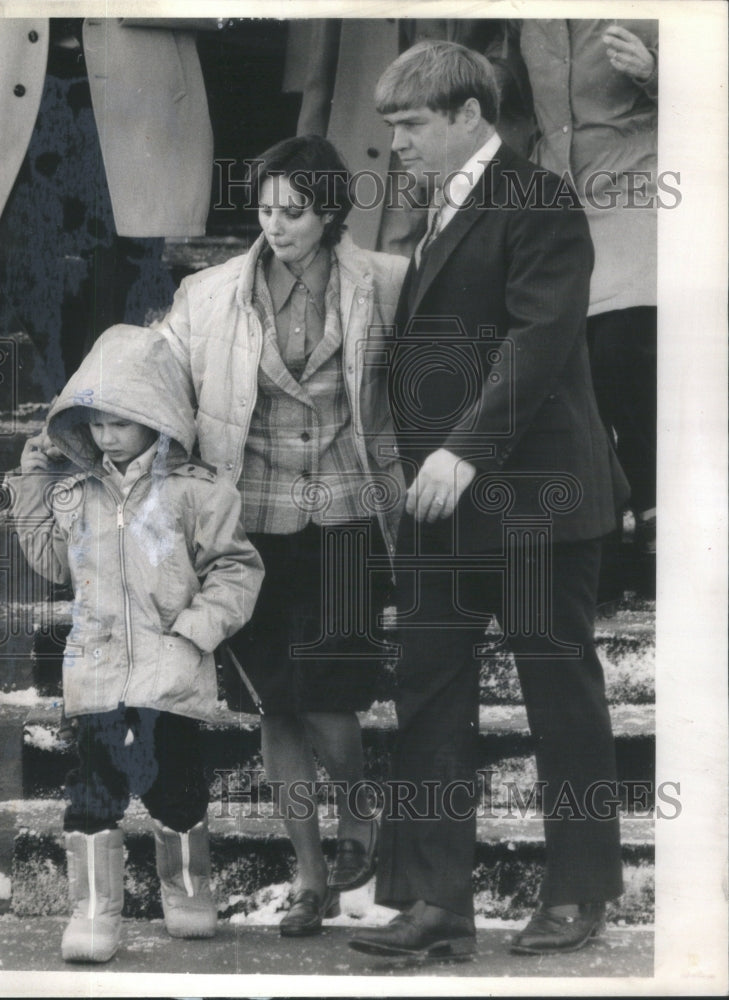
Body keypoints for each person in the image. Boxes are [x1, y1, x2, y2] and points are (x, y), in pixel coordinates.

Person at [348, 41, 630, 962]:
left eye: (411, 125)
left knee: (561, 698)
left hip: (537, 500)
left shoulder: (537, 197)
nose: (397, 144)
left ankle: (578, 894)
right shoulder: (435, 207)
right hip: (445, 508)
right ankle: (436, 906)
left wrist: (463, 451)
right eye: (391, 127)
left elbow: (538, 340)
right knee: (427, 694)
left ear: (470, 115)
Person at [154, 135, 408, 936]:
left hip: (345, 514)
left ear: (330, 211)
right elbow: (161, 385)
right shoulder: (209, 293)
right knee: (276, 710)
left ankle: (361, 815)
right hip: (251, 523)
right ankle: (308, 879)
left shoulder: (387, 283)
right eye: (265, 209)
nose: (276, 225)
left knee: (330, 697)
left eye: (294, 211)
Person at [6, 324, 263, 962]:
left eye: (122, 422)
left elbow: (235, 569)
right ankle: (93, 912)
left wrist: (195, 632)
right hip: (96, 671)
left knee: (175, 786)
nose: (106, 436)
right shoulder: (78, 492)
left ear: (159, 417)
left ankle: (186, 892)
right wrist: (34, 479)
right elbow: (50, 563)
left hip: (170, 669)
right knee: (94, 789)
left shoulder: (196, 491)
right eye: (94, 424)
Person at [0, 17, 215, 392]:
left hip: (135, 91)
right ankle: (75, 396)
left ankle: (97, 409)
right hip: (30, 91)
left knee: (120, 269)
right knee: (13, 258)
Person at [518, 20, 658, 593]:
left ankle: (652, 514)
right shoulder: (525, 16)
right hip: (554, 195)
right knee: (569, 365)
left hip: (639, 187)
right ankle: (598, 525)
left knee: (620, 349)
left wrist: (656, 72)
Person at [295, 18, 535, 256]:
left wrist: (481, 83)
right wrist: (303, 158)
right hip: (373, 139)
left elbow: (510, 35)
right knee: (375, 261)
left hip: (459, 134)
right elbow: (320, 67)